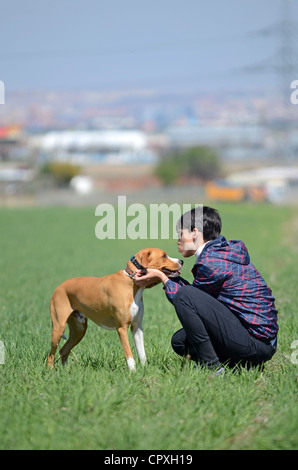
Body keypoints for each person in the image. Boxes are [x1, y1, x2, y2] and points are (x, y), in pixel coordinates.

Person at [134, 206, 278, 370]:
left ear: (194, 233)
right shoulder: (221, 253)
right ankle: (237, 366)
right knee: (181, 341)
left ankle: (212, 367)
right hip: (262, 342)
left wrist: (162, 277)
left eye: (180, 234)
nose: (178, 240)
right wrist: (165, 277)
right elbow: (197, 298)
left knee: (184, 296)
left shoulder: (210, 262)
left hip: (254, 344)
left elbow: (186, 298)